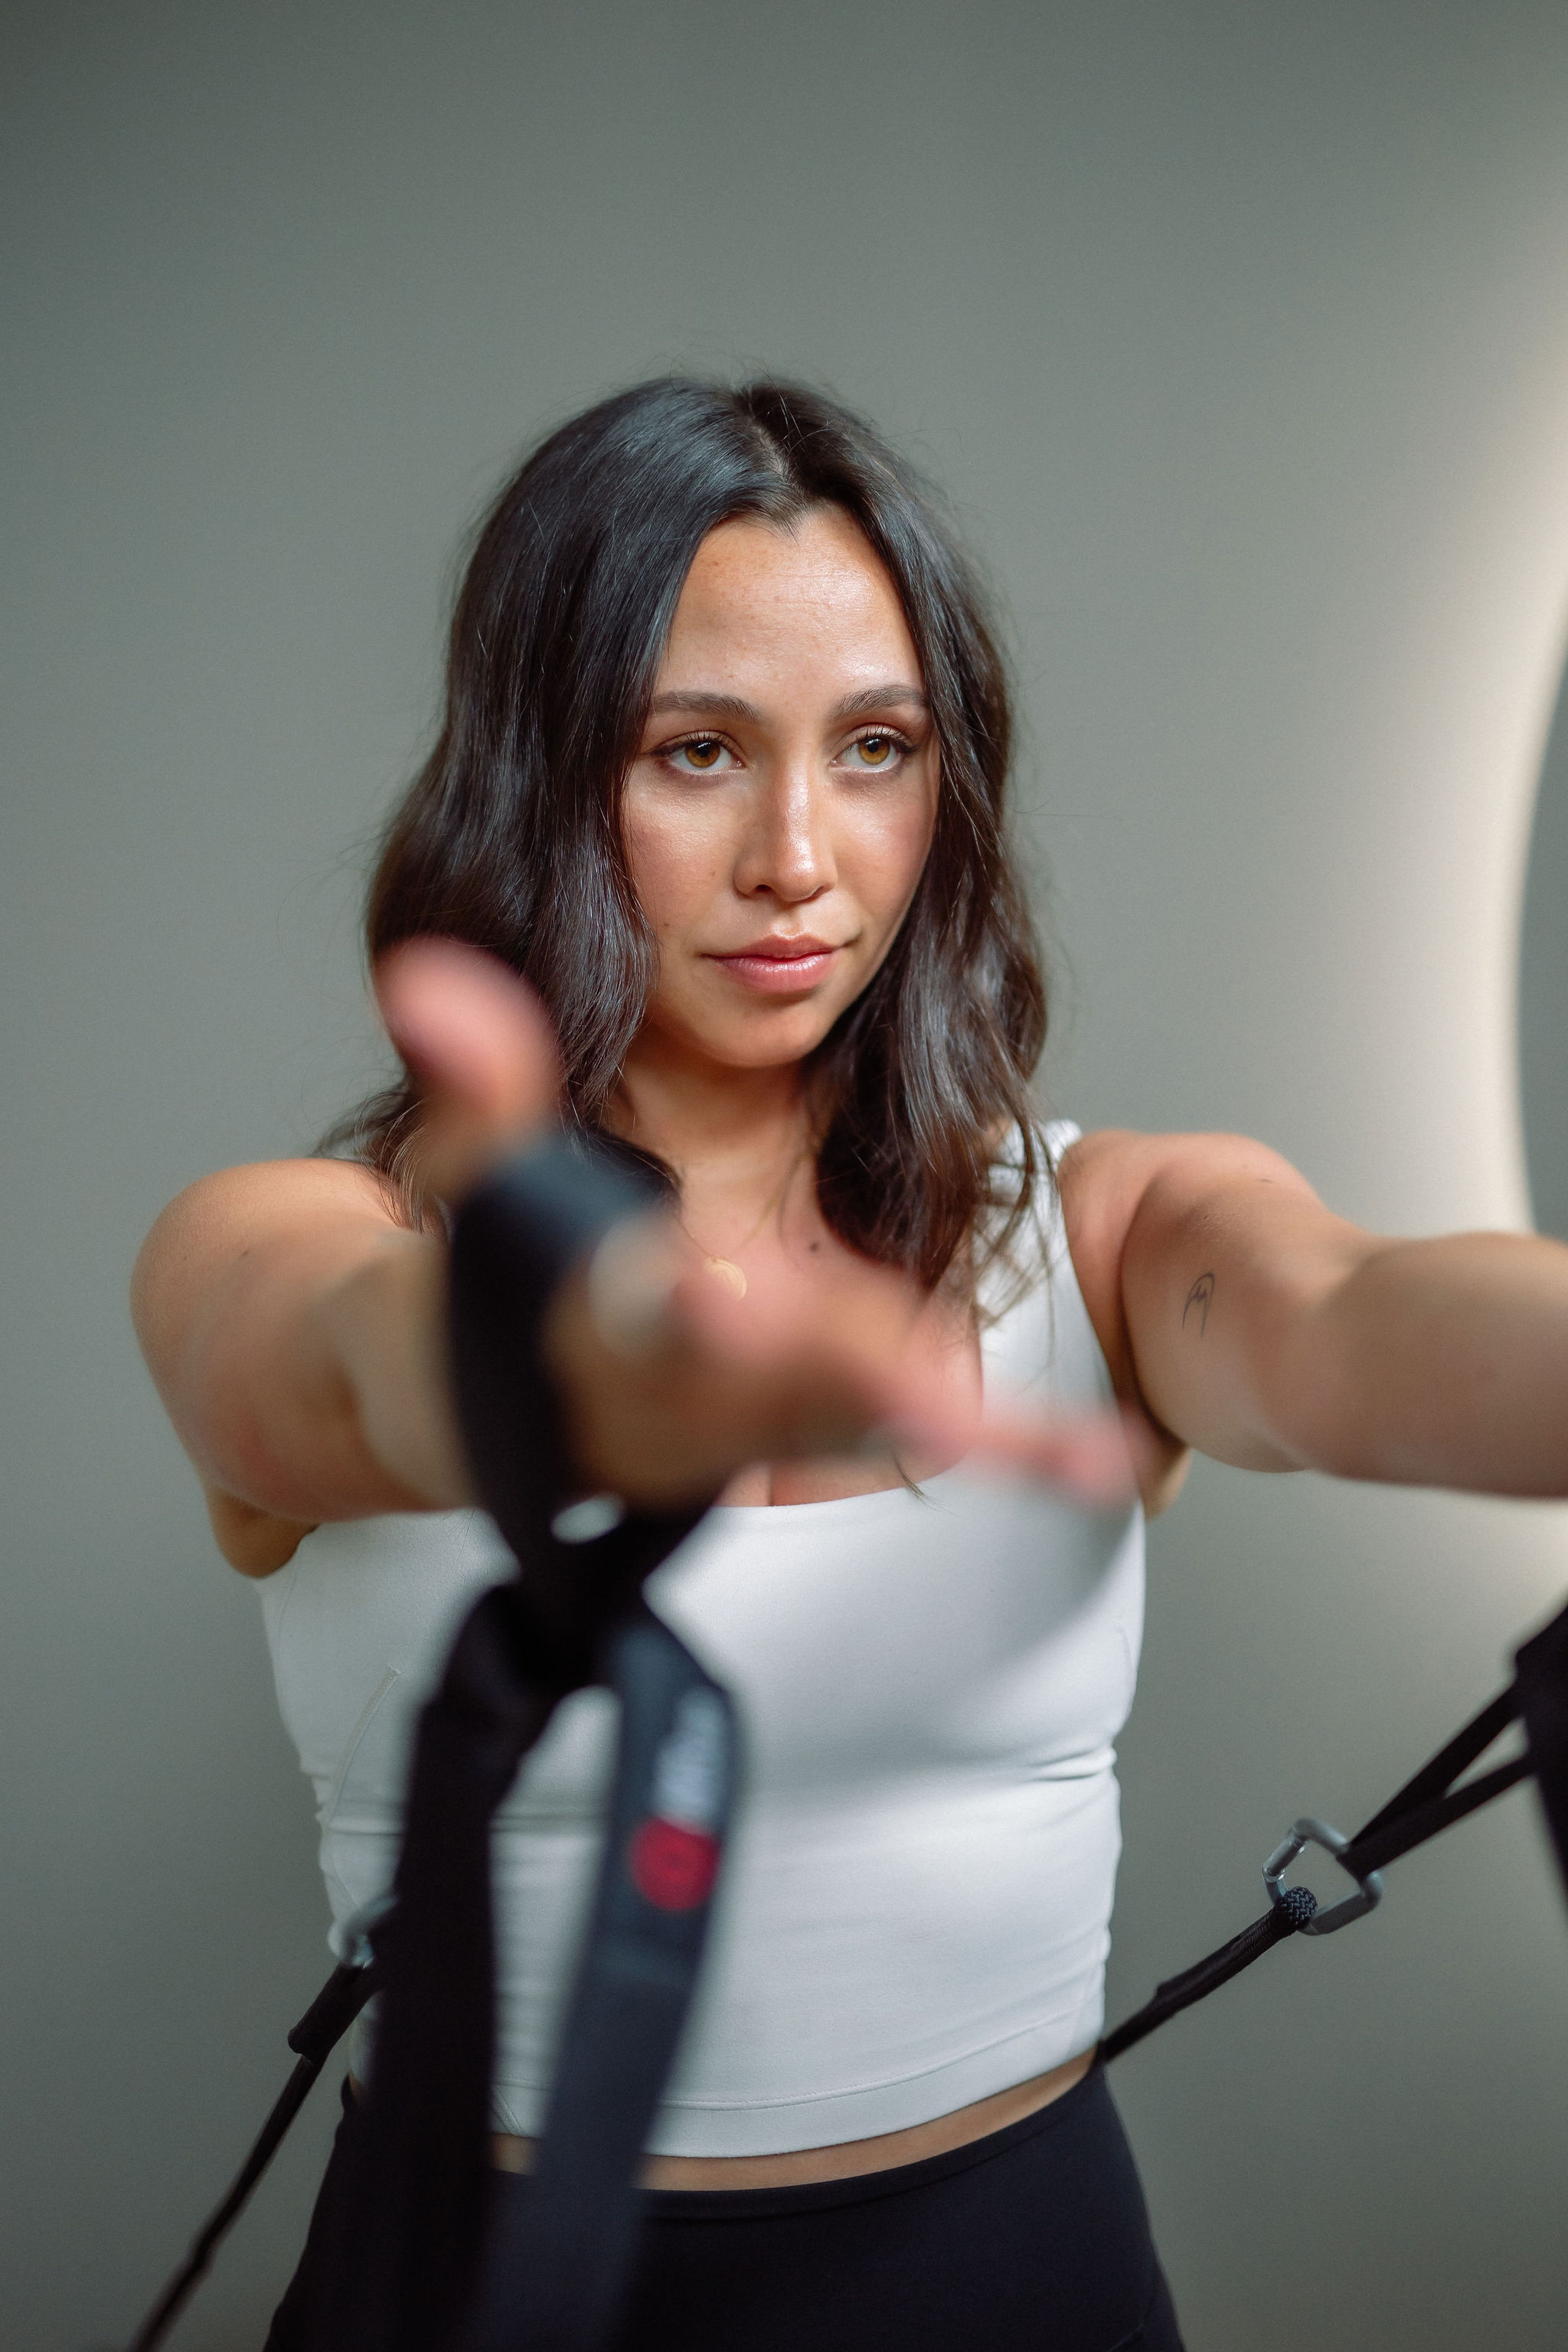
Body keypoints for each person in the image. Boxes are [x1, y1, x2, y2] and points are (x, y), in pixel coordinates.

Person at [132, 380, 1568, 2352]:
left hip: (1015, 2277)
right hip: (468, 2290)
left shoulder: (1102, 1232)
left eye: (876, 749)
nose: (801, 857)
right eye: (697, 751)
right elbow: (322, 1373)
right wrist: (598, 1371)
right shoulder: (308, 1243)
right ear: (543, 776)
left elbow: (1344, 1327)